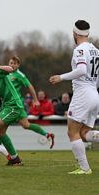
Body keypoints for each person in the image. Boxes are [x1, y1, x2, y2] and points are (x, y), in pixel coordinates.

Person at [49, 19, 99, 175]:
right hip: (94, 93)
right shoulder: (96, 51)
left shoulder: (79, 50)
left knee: (72, 132)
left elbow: (82, 70)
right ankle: (84, 167)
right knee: (83, 134)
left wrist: (61, 77)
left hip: (83, 94)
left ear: (75, 33)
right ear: (88, 33)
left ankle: (84, 168)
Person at [0, 56, 55, 151]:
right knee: (26, 125)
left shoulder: (20, 75)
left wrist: (35, 100)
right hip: (7, 103)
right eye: (11, 63)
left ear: (18, 65)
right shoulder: (6, 72)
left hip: (14, 104)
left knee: (1, 127)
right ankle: (47, 134)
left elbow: (30, 86)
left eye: (15, 63)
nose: (12, 65)